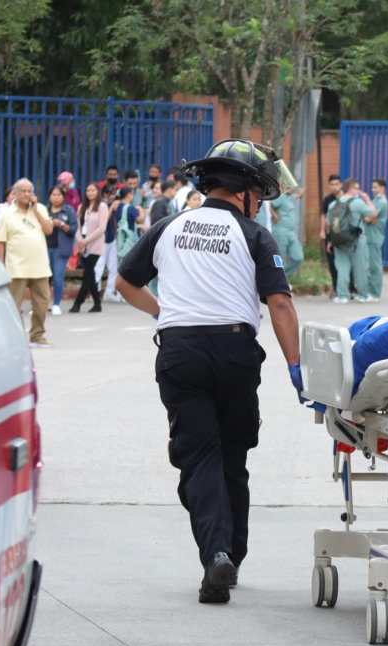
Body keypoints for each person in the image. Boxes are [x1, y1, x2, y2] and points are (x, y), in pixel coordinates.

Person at [116, 138, 303, 604]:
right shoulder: (254, 236)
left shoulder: (169, 226)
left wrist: (163, 313)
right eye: (259, 194)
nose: (259, 204)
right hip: (234, 350)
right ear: (243, 193)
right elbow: (278, 302)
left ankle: (215, 554)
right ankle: (231, 556)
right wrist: (297, 366)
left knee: (199, 458)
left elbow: (124, 282)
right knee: (232, 457)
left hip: (180, 352)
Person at [0, 178, 55, 347]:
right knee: (13, 306)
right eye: (23, 191)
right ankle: (14, 338)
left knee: (42, 304)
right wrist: (1, 266)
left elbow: (49, 230)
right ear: (15, 193)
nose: (27, 194)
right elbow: (0, 242)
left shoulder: (40, 208)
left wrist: (35, 211)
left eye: (30, 191)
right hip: (16, 267)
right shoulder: (6, 214)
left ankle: (37, 336)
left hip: (40, 266)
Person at [326, 177, 375, 304]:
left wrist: (331, 240)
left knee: (342, 268)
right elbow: (373, 214)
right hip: (357, 240)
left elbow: (329, 224)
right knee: (361, 268)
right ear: (351, 189)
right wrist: (367, 199)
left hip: (338, 240)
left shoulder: (333, 204)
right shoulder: (357, 202)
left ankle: (342, 296)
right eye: (357, 188)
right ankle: (363, 295)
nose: (359, 191)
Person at [71, 182, 109, 313]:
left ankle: (78, 302)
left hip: (95, 245)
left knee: (88, 272)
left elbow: (102, 228)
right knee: (89, 273)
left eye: (93, 190)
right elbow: (78, 227)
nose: (90, 193)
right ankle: (97, 304)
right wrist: (80, 240)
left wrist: (86, 240)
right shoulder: (82, 207)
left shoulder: (102, 206)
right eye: (88, 190)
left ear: (98, 192)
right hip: (82, 245)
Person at [47, 185, 78, 316]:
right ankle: (42, 304)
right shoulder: (44, 210)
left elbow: (73, 229)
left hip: (61, 249)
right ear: (49, 196)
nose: (56, 197)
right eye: (53, 194)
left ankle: (56, 304)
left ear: (63, 197)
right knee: (43, 278)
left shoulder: (68, 210)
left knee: (58, 277)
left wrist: (60, 224)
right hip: (45, 248)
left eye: (59, 195)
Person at [363, 178, 388, 300]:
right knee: (370, 265)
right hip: (371, 236)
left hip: (374, 236)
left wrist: (367, 217)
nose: (373, 190)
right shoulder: (376, 200)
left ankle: (374, 293)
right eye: (372, 187)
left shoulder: (381, 202)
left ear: (382, 188)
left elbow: (370, 217)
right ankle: (370, 291)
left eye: (375, 187)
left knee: (374, 265)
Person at [95, 187, 122, 303]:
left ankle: (109, 292)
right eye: (109, 194)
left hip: (112, 239)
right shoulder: (101, 206)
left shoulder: (116, 206)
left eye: (113, 195)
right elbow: (104, 222)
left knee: (113, 267)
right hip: (101, 241)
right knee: (99, 267)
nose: (111, 197)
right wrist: (110, 208)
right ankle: (94, 291)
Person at [270, 189, 305, 279]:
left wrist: (299, 194)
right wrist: (274, 215)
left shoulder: (290, 198)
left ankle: (280, 277)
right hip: (280, 231)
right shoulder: (280, 197)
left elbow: (297, 195)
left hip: (291, 232)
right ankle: (277, 280)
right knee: (279, 259)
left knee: (298, 257)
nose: (292, 188)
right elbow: (269, 205)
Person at [319, 174, 343, 291]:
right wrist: (322, 231)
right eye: (332, 184)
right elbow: (323, 215)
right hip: (331, 235)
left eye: (336, 184)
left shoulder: (344, 198)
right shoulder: (327, 200)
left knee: (344, 262)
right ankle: (335, 287)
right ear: (329, 186)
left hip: (343, 235)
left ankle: (349, 288)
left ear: (341, 185)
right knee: (332, 262)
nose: (334, 187)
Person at [114, 186, 144, 266]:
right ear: (128, 195)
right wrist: (141, 211)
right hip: (129, 238)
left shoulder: (118, 206)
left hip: (120, 236)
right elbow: (139, 220)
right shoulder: (130, 208)